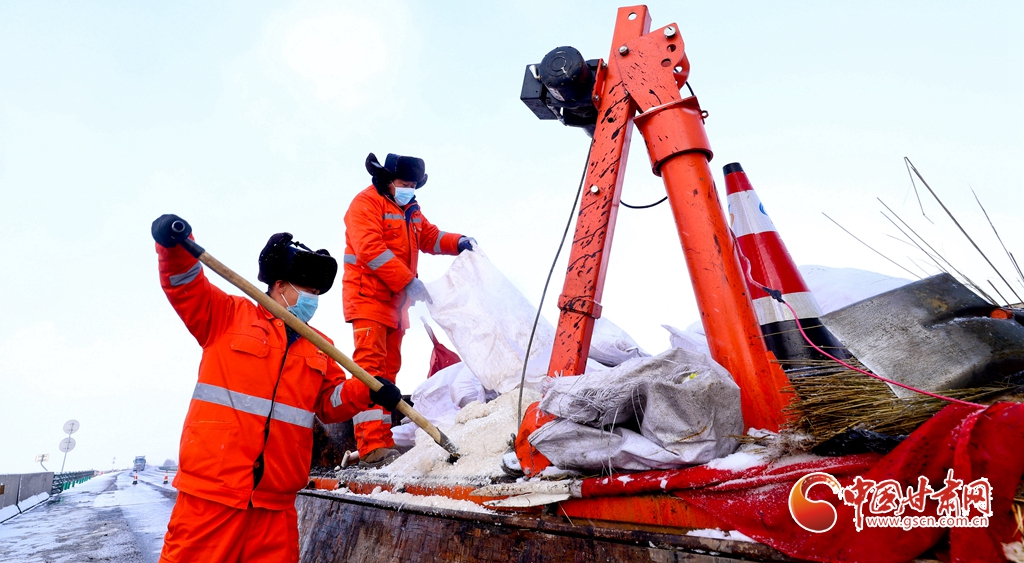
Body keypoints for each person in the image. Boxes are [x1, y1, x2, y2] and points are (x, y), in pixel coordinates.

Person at [151, 214, 403, 563]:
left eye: (317, 294)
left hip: (276, 505)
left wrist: (368, 392)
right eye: (308, 291)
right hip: (212, 498)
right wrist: (174, 246)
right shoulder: (227, 315)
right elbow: (184, 284)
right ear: (281, 286)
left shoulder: (320, 347)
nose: (313, 299)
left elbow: (330, 403)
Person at [342, 152, 474, 468]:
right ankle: (372, 446)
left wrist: (458, 242)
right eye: (404, 184)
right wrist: (408, 282)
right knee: (370, 373)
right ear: (387, 180)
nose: (409, 190)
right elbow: (371, 250)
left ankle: (382, 442)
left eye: (413, 185)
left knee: (387, 377)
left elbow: (429, 237)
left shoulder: (411, 208)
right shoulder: (365, 204)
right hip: (368, 300)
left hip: (395, 305)